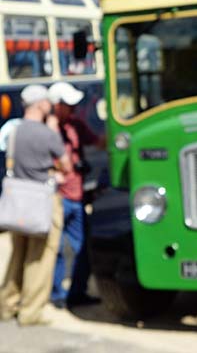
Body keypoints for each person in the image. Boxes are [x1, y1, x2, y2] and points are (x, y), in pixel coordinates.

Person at [0, 84, 71, 326]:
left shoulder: (14, 131)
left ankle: (7, 305)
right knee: (40, 257)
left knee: (17, 254)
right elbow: (67, 165)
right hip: (42, 200)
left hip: (18, 201)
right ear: (41, 104)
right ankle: (31, 311)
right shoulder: (47, 133)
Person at [48, 82, 102, 309]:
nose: (73, 109)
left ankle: (78, 291)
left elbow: (99, 142)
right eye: (68, 105)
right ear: (56, 106)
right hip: (56, 197)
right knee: (56, 249)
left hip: (77, 196)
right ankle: (57, 294)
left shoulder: (75, 125)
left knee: (82, 248)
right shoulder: (47, 131)